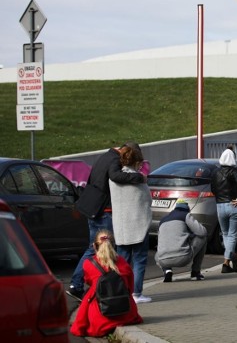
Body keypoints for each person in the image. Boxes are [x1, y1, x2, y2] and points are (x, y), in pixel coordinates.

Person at [67, 142, 146, 300]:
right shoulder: (114, 160)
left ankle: (78, 285)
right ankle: (79, 285)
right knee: (101, 249)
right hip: (103, 211)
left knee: (94, 248)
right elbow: (116, 176)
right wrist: (139, 177)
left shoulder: (104, 156)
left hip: (93, 209)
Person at [70, 229, 142, 337]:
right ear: (113, 245)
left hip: (101, 317)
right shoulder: (122, 262)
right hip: (126, 313)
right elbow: (130, 288)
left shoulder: (88, 263)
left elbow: (88, 281)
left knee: (89, 294)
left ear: (94, 246)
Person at [110, 144, 153, 303]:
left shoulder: (113, 179)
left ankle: (123, 291)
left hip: (121, 226)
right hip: (139, 225)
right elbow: (147, 200)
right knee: (140, 259)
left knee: (122, 260)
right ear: (137, 162)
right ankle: (136, 293)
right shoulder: (139, 180)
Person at [155, 199, 208, 282]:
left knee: (159, 251)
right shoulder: (185, 215)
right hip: (183, 258)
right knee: (202, 238)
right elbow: (202, 232)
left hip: (163, 260)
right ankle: (195, 272)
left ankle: (167, 270)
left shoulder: (162, 220)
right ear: (187, 209)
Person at [212, 147, 237, 273]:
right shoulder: (234, 171)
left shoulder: (215, 172)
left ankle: (231, 256)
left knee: (225, 234)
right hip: (233, 205)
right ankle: (226, 263)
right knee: (232, 235)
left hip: (219, 205)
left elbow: (213, 189)